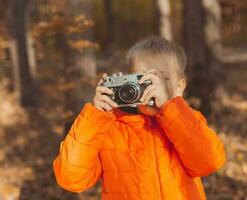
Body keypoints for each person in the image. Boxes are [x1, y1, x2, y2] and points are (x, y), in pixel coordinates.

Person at [53, 37, 226, 200]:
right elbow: (70, 178)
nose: (153, 88)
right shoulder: (110, 129)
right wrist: (95, 116)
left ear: (180, 86)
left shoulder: (188, 121)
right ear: (129, 83)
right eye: (143, 79)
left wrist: (171, 108)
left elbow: (209, 162)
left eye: (162, 79)